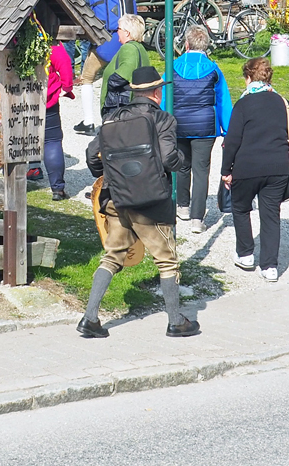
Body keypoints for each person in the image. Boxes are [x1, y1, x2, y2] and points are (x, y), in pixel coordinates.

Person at [80, 65, 197, 339]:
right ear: (157, 92)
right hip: (149, 202)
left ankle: (89, 319)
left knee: (111, 257)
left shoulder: (113, 118)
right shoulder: (163, 119)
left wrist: (107, 175)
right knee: (166, 260)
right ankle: (175, 321)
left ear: (135, 92)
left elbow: (90, 153)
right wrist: (183, 163)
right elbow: (169, 158)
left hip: (117, 199)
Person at [219, 56, 289, 282]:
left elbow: (233, 140)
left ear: (248, 77)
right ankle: (270, 267)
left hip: (247, 167)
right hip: (277, 167)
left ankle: (246, 254)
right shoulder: (281, 101)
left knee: (240, 207)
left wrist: (225, 170)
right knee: (270, 215)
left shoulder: (243, 104)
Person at [172, 24, 233, 233]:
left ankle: (183, 207)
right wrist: (228, 130)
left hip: (178, 124)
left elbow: (165, 97)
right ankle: (198, 219)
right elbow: (223, 100)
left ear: (186, 43)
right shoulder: (214, 69)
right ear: (205, 44)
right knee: (201, 171)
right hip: (205, 127)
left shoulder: (173, 66)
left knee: (181, 166)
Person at [43, 25, 78, 200]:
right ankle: (57, 189)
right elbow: (65, 65)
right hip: (47, 100)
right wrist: (66, 87)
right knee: (52, 141)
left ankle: (16, 179)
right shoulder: (51, 46)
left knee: (18, 141)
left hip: (17, 99)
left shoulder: (11, 39)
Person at [97, 13, 151, 113]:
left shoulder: (128, 48)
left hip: (121, 106)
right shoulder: (140, 48)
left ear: (127, 33)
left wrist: (110, 83)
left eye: (119, 28)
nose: (117, 31)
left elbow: (124, 73)